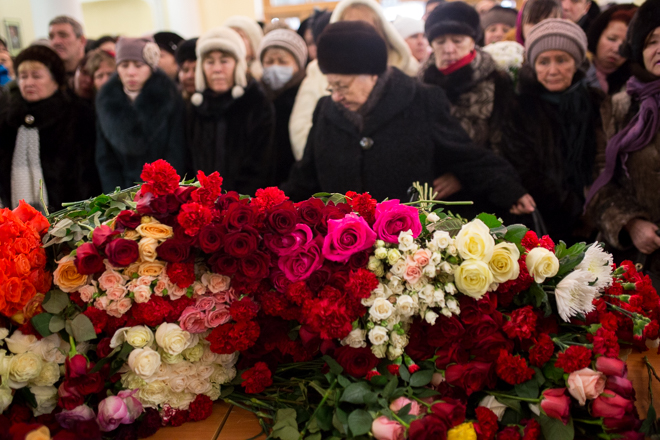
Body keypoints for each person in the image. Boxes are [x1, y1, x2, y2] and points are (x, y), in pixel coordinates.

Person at [282, 21, 534, 218]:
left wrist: (509, 189)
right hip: (343, 249)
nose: (336, 96)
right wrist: (274, 210)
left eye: (342, 85)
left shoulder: (421, 101)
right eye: (330, 86)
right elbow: (305, 176)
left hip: (406, 253)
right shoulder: (325, 110)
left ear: (372, 73)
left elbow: (467, 157)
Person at [503, 19, 605, 243]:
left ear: (576, 62)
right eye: (543, 62)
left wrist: (593, 210)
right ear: (533, 65)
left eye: (562, 60)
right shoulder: (520, 107)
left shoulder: (596, 102)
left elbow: (605, 161)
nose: (553, 70)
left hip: (597, 222)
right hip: (542, 223)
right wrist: (572, 207)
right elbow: (522, 166)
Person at [289, 0, 419, 161]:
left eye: (367, 27)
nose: (357, 34)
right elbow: (301, 129)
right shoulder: (318, 71)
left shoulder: (407, 67)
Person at [586, 0, 660, 285]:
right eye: (651, 41)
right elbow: (599, 178)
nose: (658, 49)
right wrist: (631, 223)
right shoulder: (618, 106)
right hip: (631, 261)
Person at [0, 45, 101, 211]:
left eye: (37, 76)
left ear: (55, 80)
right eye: (23, 76)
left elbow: (88, 174)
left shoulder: (78, 114)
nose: (29, 82)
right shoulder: (7, 115)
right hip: (15, 214)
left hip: (71, 215)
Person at [186, 27, 275, 195]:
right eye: (210, 62)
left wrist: (236, 203)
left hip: (244, 205)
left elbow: (261, 165)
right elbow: (188, 163)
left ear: (238, 64)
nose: (217, 69)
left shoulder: (256, 102)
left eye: (225, 60)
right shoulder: (195, 108)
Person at [95, 37, 187, 193]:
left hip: (163, 191)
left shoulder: (169, 97)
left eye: (138, 65)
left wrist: (164, 191)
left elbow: (177, 149)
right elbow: (105, 158)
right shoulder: (106, 101)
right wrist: (116, 197)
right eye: (124, 65)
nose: (131, 72)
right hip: (121, 194)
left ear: (151, 67)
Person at [258, 29, 308, 186]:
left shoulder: (305, 96)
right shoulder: (257, 97)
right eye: (269, 61)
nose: (275, 67)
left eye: (283, 61)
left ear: (298, 65)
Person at [585, 4, 637, 95]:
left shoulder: (633, 87)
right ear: (597, 36)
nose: (616, 49)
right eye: (611, 39)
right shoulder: (575, 71)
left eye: (626, 44)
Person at [48, 16, 86, 88]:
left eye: (63, 35)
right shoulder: (48, 77)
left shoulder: (97, 74)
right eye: (51, 37)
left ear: (82, 40)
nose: (56, 42)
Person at [223, 16, 264, 80]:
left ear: (253, 42)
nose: (235, 39)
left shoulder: (264, 72)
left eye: (240, 35)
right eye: (230, 35)